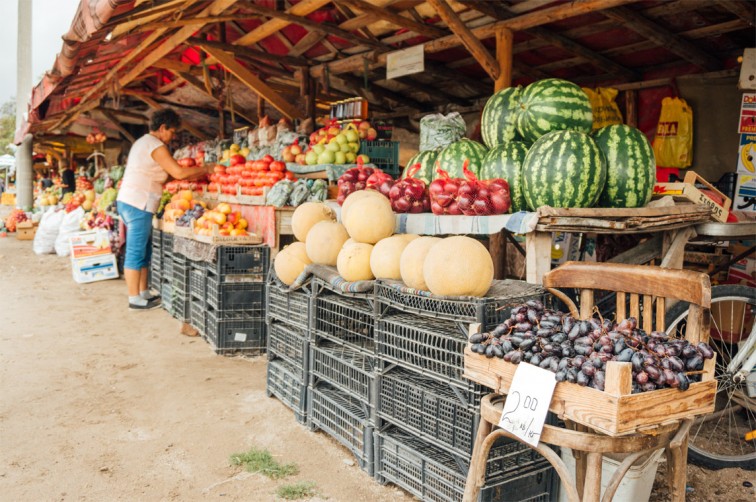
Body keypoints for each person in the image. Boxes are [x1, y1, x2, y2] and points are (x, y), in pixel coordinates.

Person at [116, 109, 210, 310]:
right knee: (135, 251)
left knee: (143, 250)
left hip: (133, 201)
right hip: (138, 203)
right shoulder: (155, 144)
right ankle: (134, 299)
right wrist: (206, 169)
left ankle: (143, 293)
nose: (173, 137)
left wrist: (187, 174)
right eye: (172, 132)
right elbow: (178, 172)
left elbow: (167, 175)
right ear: (162, 128)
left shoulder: (143, 142)